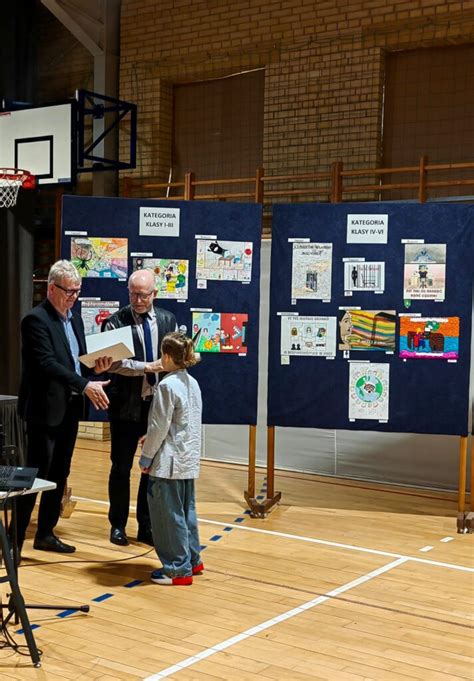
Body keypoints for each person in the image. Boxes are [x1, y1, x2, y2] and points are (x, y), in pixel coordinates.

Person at [16, 260, 110, 554]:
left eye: (77, 291)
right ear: (51, 288)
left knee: (60, 472)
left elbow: (75, 362)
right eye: (68, 291)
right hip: (45, 409)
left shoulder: (76, 319)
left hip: (70, 408)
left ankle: (45, 533)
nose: (73, 296)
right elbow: (47, 364)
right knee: (35, 475)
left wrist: (96, 367)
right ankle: (14, 540)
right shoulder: (35, 320)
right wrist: (84, 385)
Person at [96, 269, 177, 547]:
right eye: (133, 294)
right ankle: (117, 525)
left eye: (143, 295)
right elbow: (114, 364)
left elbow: (173, 360)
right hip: (124, 407)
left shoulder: (168, 319)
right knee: (120, 467)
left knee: (151, 468)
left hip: (155, 408)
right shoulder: (115, 322)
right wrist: (148, 367)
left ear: (154, 293)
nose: (138, 300)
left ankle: (146, 525)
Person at [139, 331, 203, 586]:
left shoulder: (166, 385)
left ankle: (177, 568)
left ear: (166, 356)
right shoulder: (192, 383)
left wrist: (146, 458)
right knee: (187, 511)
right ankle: (193, 559)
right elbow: (181, 423)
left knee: (168, 515)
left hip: (168, 463)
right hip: (187, 459)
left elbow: (158, 426)